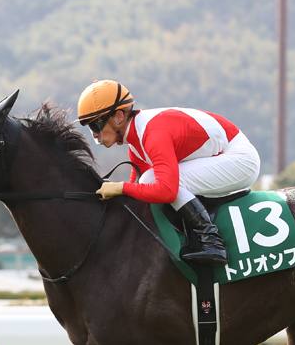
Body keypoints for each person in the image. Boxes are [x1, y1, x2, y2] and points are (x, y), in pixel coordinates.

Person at [77, 80, 260, 266]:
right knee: (147, 181)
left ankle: (213, 241)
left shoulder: (152, 134)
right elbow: (137, 193)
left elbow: (167, 190)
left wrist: (120, 187)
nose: (95, 135)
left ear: (118, 116)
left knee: (154, 180)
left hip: (241, 160)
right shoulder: (135, 141)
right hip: (223, 156)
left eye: (95, 126)